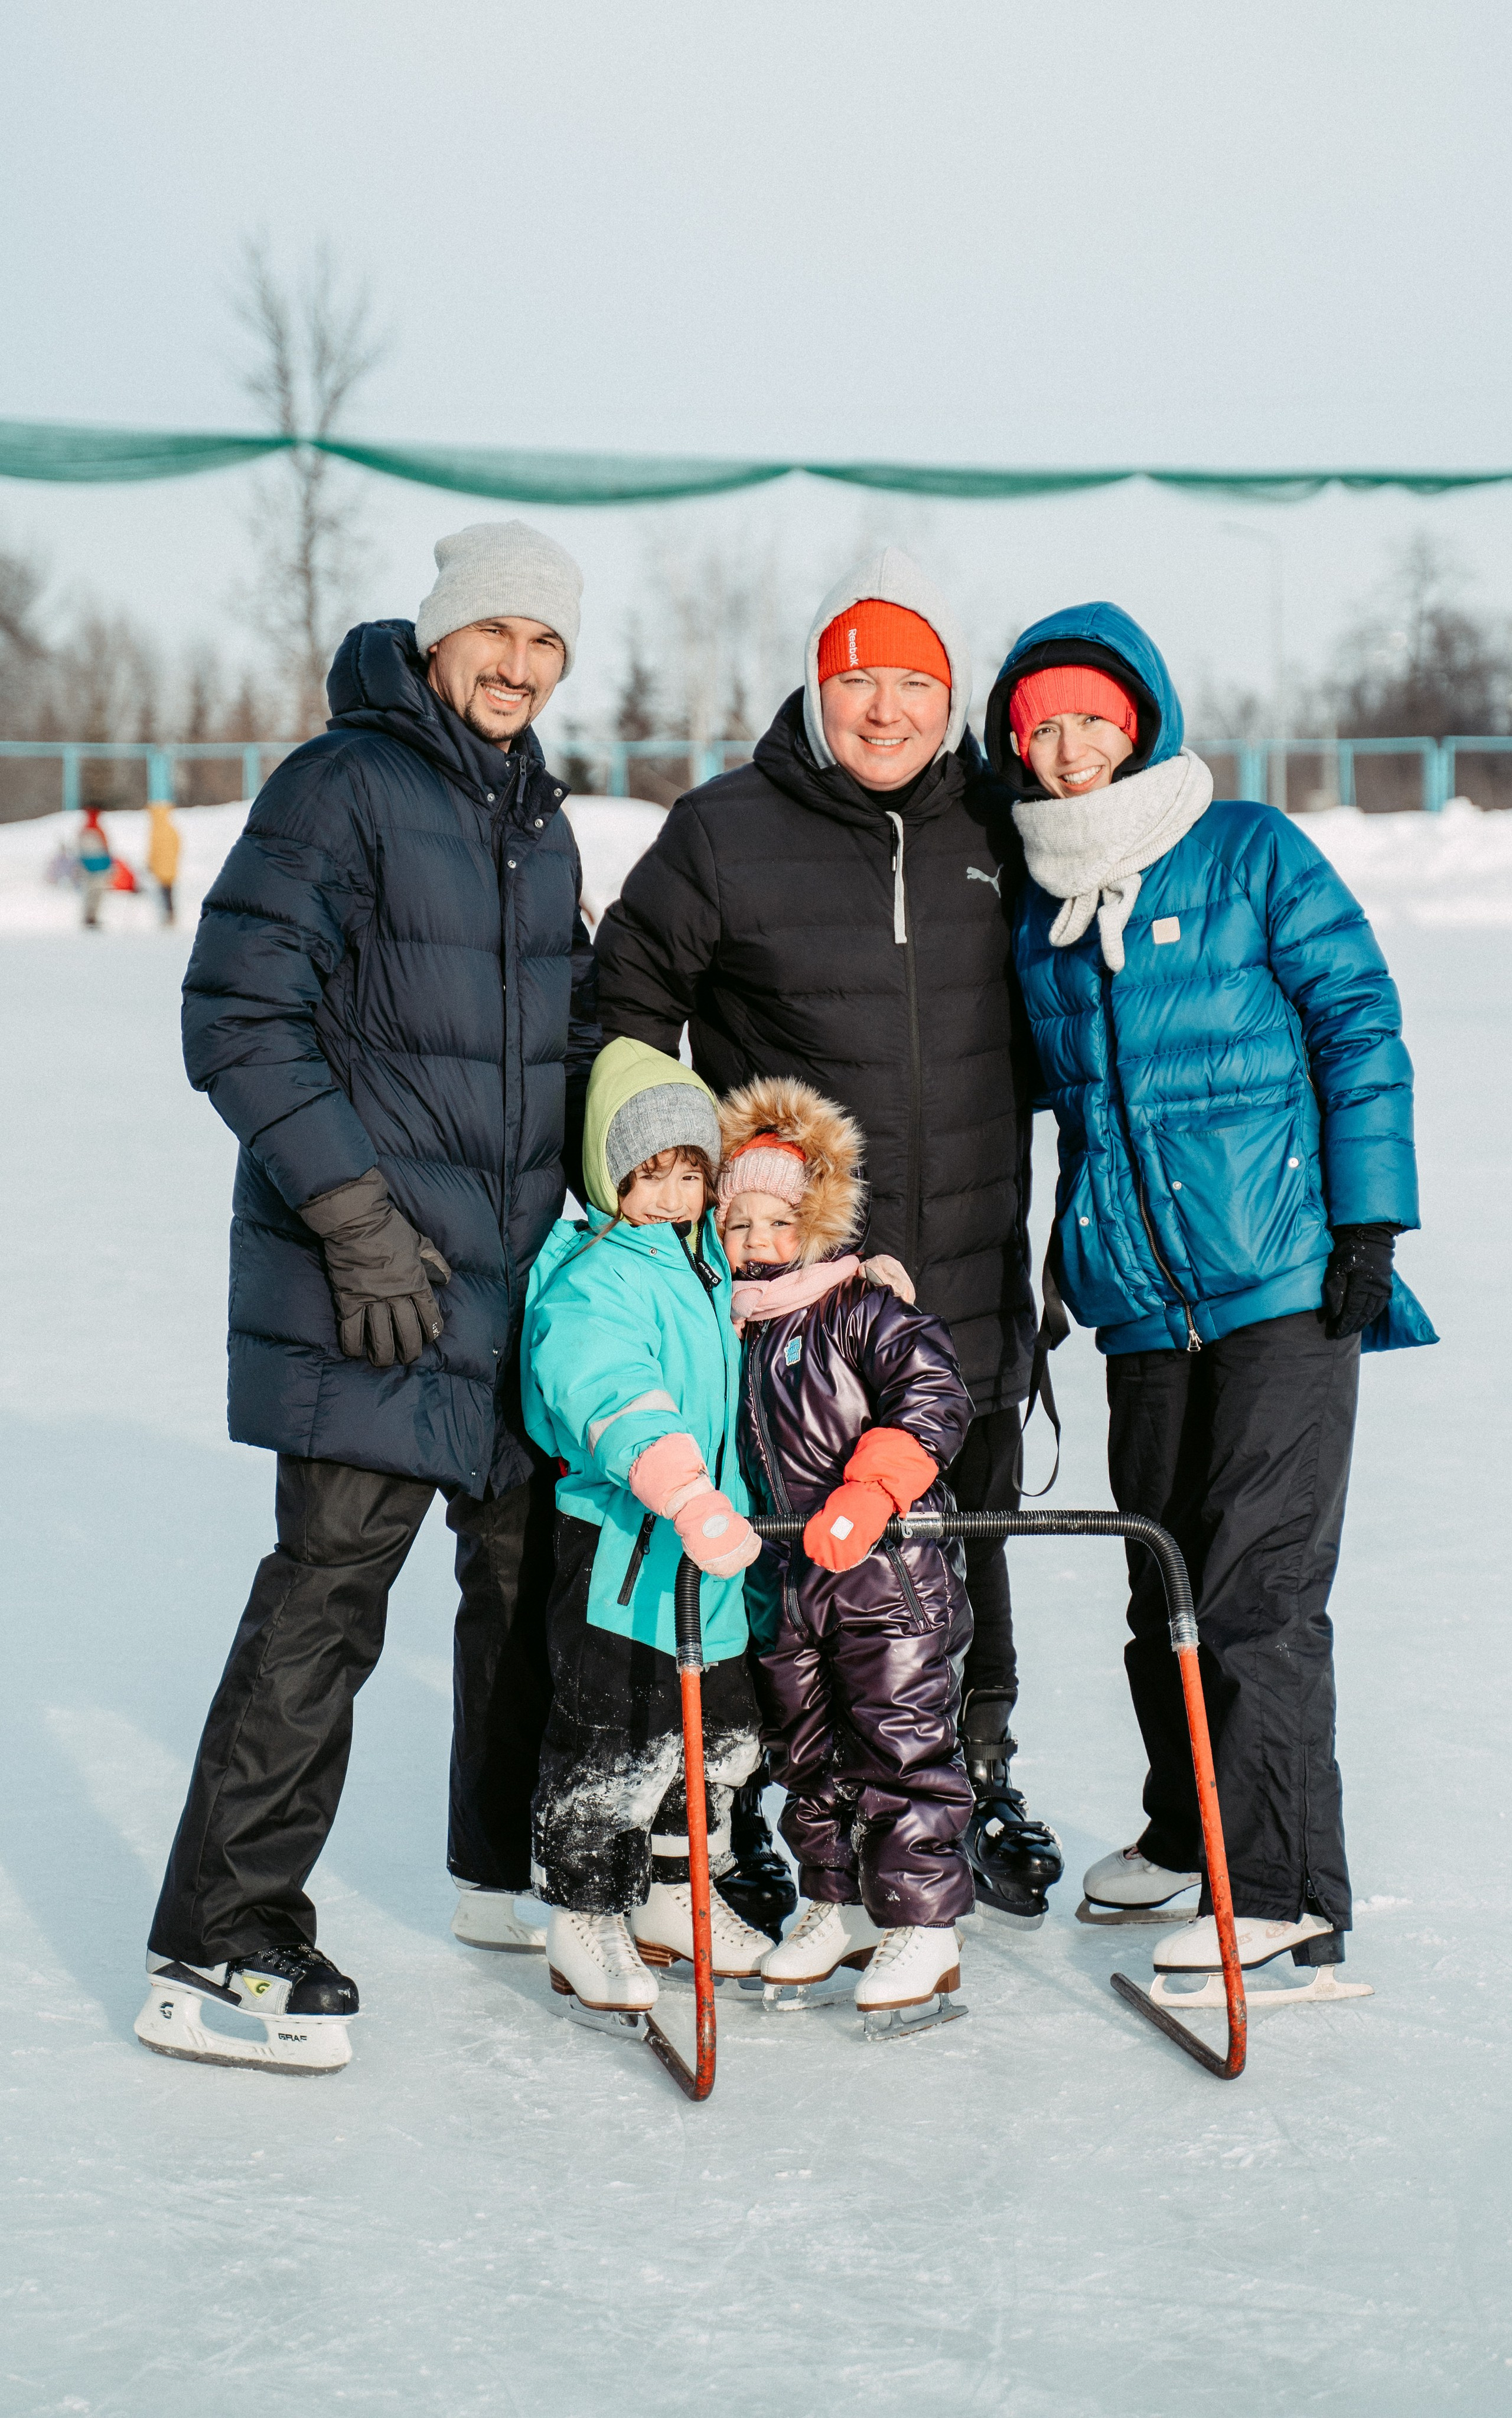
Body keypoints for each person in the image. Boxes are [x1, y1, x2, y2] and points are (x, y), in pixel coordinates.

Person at [136, 520, 600, 2072]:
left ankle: (495, 1866)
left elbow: (565, 1035)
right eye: (498, 637)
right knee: (328, 1597)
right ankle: (218, 1937)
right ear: (441, 634)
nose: (520, 667)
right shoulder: (345, 783)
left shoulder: (539, 818)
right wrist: (351, 1214)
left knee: (523, 1579)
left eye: (548, 645)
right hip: (379, 1284)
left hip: (514, 1285)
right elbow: (238, 1010)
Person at [595, 549, 1062, 1933]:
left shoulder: (1000, 821)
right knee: (775, 1560)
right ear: (815, 687)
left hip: (962, 1268)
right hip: (781, 1291)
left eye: (912, 682)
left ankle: (969, 1776)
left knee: (958, 1536)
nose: (883, 708)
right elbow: (623, 1002)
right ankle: (736, 1797)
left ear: (949, 697)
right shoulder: (724, 830)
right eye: (857, 679)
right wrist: (648, 1176)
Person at [983, 601, 1430, 1998]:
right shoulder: (1037, 903)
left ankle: (1286, 1888)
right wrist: (1057, 1258)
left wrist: (1366, 1215)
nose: (1065, 749)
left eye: (1088, 721)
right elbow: (1064, 1108)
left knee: (1255, 1594)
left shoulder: (1243, 851)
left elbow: (1357, 1019)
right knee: (1159, 1583)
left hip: (1281, 1279)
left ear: (1139, 724)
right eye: (1038, 726)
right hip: (1141, 1300)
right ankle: (1188, 1833)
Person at [716, 1078, 977, 2034]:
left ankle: (925, 1925)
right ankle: (835, 1903)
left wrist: (870, 1492)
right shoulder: (730, 1326)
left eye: (777, 1219)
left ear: (818, 1216)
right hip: (784, 1586)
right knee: (809, 1757)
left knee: (900, 1748)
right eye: (738, 1222)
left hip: (888, 1582)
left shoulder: (861, 1307)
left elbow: (935, 1396)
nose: (757, 1241)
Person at [520, 1037, 772, 2020]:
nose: (670, 1194)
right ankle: (583, 1913)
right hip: (623, 1552)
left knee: (713, 1739)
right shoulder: (592, 1275)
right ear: (608, 1175)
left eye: (688, 1172)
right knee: (613, 1738)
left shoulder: (711, 1265)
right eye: (647, 1174)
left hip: (709, 1558)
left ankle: (677, 1889)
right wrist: (685, 1488)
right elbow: (610, 1392)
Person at [77, 807, 113, 929]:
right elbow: (105, 849)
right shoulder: (99, 831)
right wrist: (108, 864)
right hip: (99, 868)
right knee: (97, 892)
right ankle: (93, 916)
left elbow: (81, 851)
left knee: (89, 892)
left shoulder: (83, 831)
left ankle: (89, 915)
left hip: (88, 867)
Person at [146, 798, 180, 925]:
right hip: (171, 866)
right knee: (169, 891)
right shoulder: (171, 829)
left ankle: (167, 915)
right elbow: (178, 845)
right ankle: (171, 914)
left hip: (160, 867)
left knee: (164, 892)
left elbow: (153, 850)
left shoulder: (156, 831)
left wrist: (150, 863)